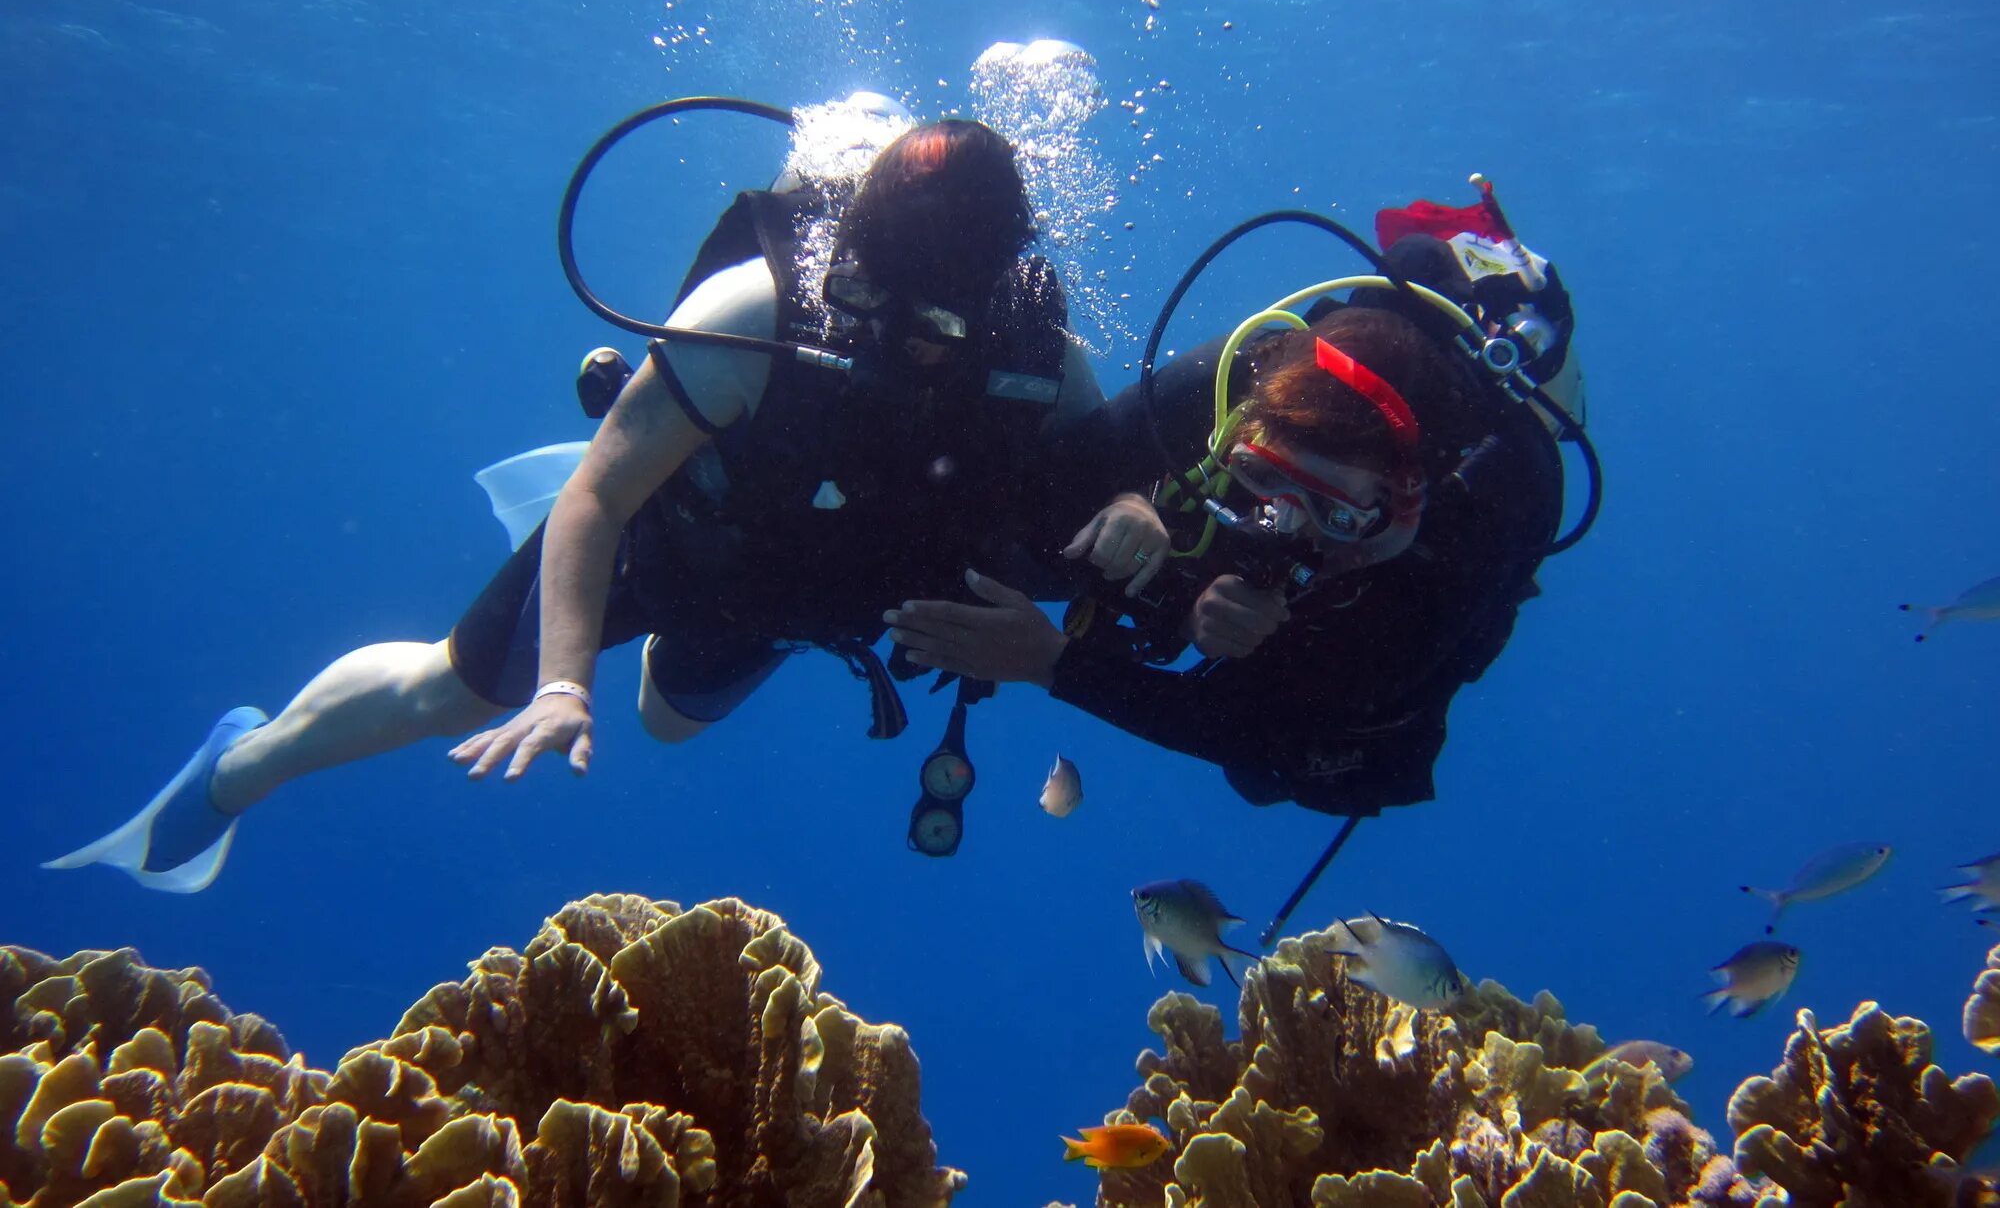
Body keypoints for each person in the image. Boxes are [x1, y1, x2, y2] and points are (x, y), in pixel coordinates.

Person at [47, 114, 1102, 891]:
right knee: (454, 695)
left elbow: (1102, 513)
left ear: (995, 294)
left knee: (670, 724)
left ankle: (721, 541)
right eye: (878, 303)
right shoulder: (749, 315)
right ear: (852, 267)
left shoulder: (1044, 364)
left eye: (944, 324)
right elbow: (597, 500)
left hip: (804, 585)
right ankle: (238, 766)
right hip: (677, 538)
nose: (910, 343)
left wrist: (1129, 525)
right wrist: (557, 684)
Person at [881, 194, 1585, 821]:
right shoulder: (1242, 373)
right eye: (1259, 477)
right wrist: (1138, 498)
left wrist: (1051, 662)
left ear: (1404, 505)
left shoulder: (1476, 526)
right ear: (1239, 431)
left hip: (1370, 667)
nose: (1286, 525)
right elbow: (1061, 484)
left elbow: (1261, 729)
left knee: (1288, 776)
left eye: (1335, 512)